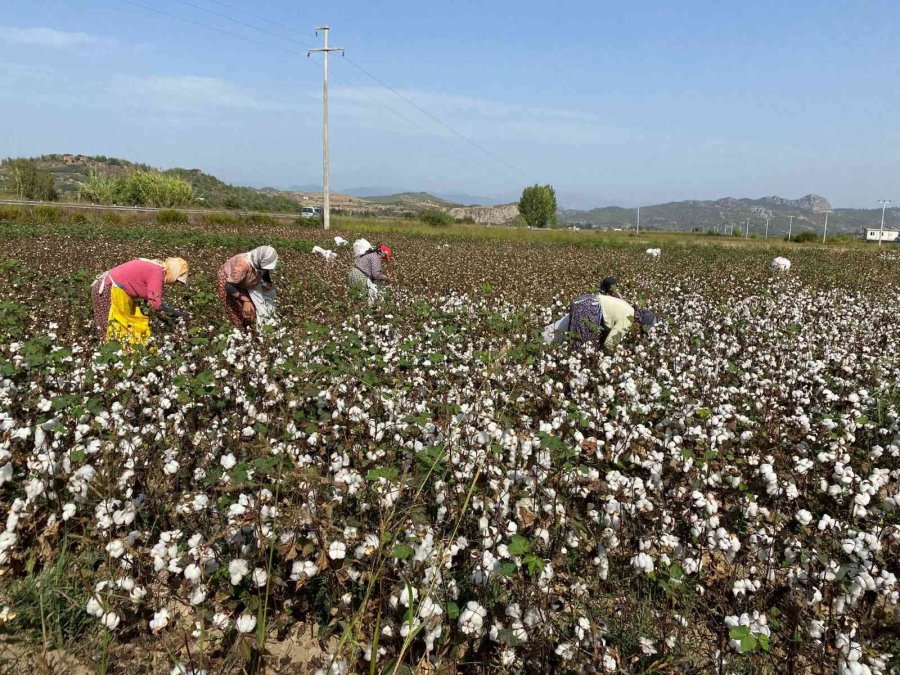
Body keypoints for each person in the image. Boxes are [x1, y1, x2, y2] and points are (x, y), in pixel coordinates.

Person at [91, 257, 189, 346]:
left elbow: (151, 302)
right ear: (174, 273)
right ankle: (107, 357)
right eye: (177, 280)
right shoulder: (157, 272)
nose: (175, 284)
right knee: (110, 327)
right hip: (107, 291)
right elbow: (155, 305)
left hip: (113, 290)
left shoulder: (155, 269)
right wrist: (178, 316)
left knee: (120, 329)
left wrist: (172, 317)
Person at [569, 290, 655, 351]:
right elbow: (609, 343)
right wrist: (620, 351)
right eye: (640, 329)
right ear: (639, 322)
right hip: (589, 308)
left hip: (584, 301)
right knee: (581, 344)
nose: (638, 332)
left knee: (577, 338)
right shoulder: (628, 321)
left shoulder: (629, 310)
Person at [217, 246, 279, 331]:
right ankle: (242, 331)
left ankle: (254, 328)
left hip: (242, 279)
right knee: (240, 309)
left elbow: (265, 271)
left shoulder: (259, 262)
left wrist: (267, 283)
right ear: (260, 260)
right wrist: (246, 300)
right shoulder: (243, 264)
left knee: (257, 306)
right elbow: (229, 286)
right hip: (230, 283)